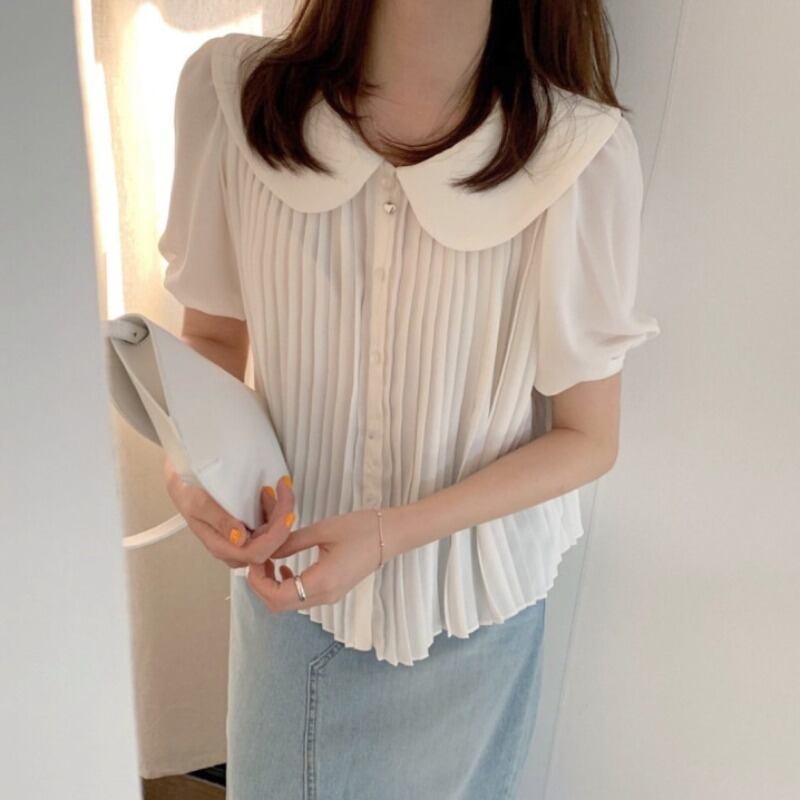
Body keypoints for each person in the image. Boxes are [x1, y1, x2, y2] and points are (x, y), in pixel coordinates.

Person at [159, 2, 660, 798]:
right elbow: (213, 339)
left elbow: (588, 436)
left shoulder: (578, 154)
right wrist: (192, 467)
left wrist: (391, 533)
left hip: (474, 619)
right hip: (295, 605)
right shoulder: (233, 103)